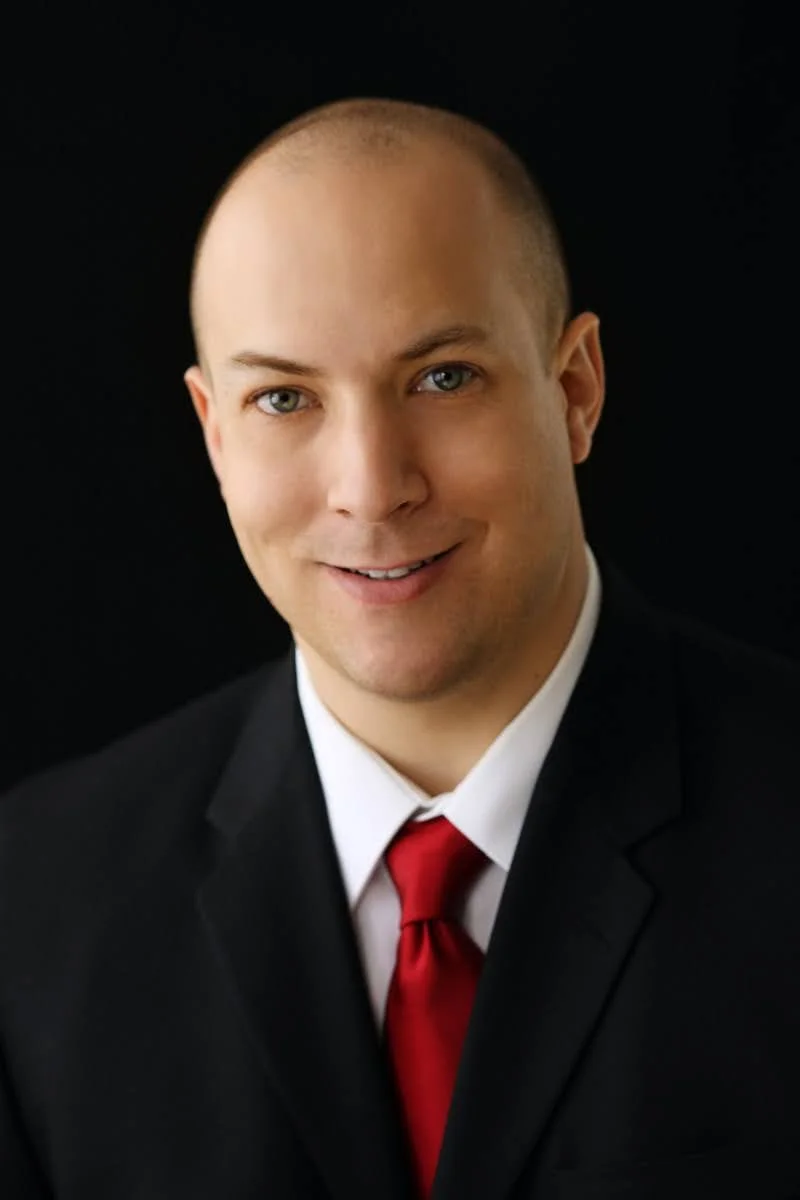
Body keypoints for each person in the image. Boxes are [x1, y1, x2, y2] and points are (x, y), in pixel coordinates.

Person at [1, 97, 798, 1200]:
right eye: (283, 398)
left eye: (441, 378)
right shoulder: (30, 906)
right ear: (213, 434)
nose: (371, 488)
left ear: (575, 389)